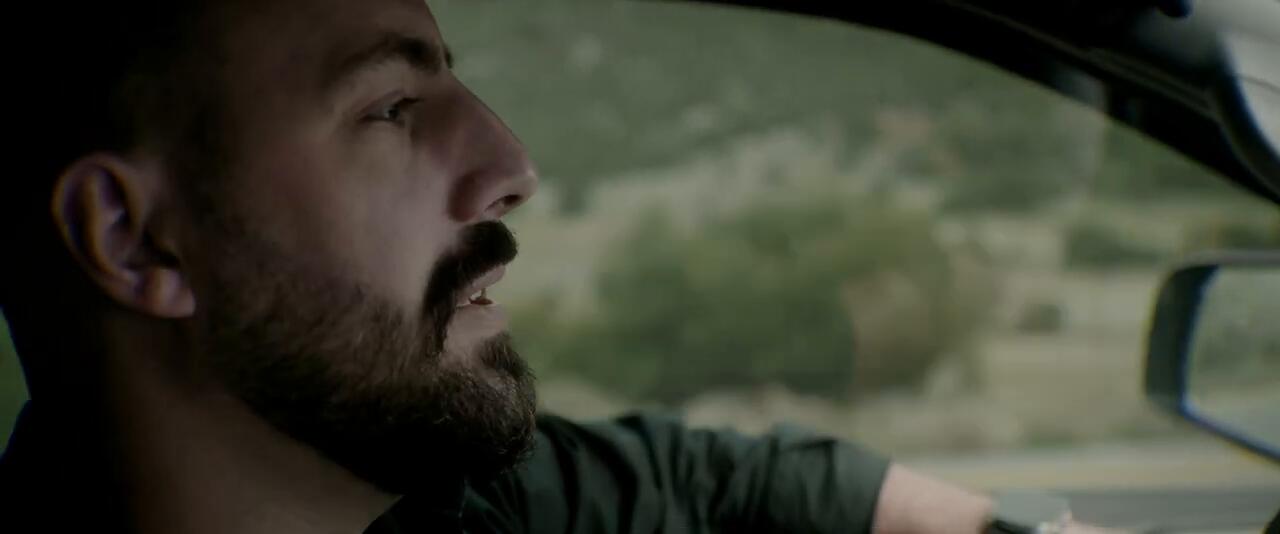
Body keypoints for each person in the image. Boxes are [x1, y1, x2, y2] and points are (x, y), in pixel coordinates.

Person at [0, 1, 1101, 532]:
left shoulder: (458, 508)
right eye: (392, 107)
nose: (512, 165)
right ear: (134, 238)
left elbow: (710, 486)